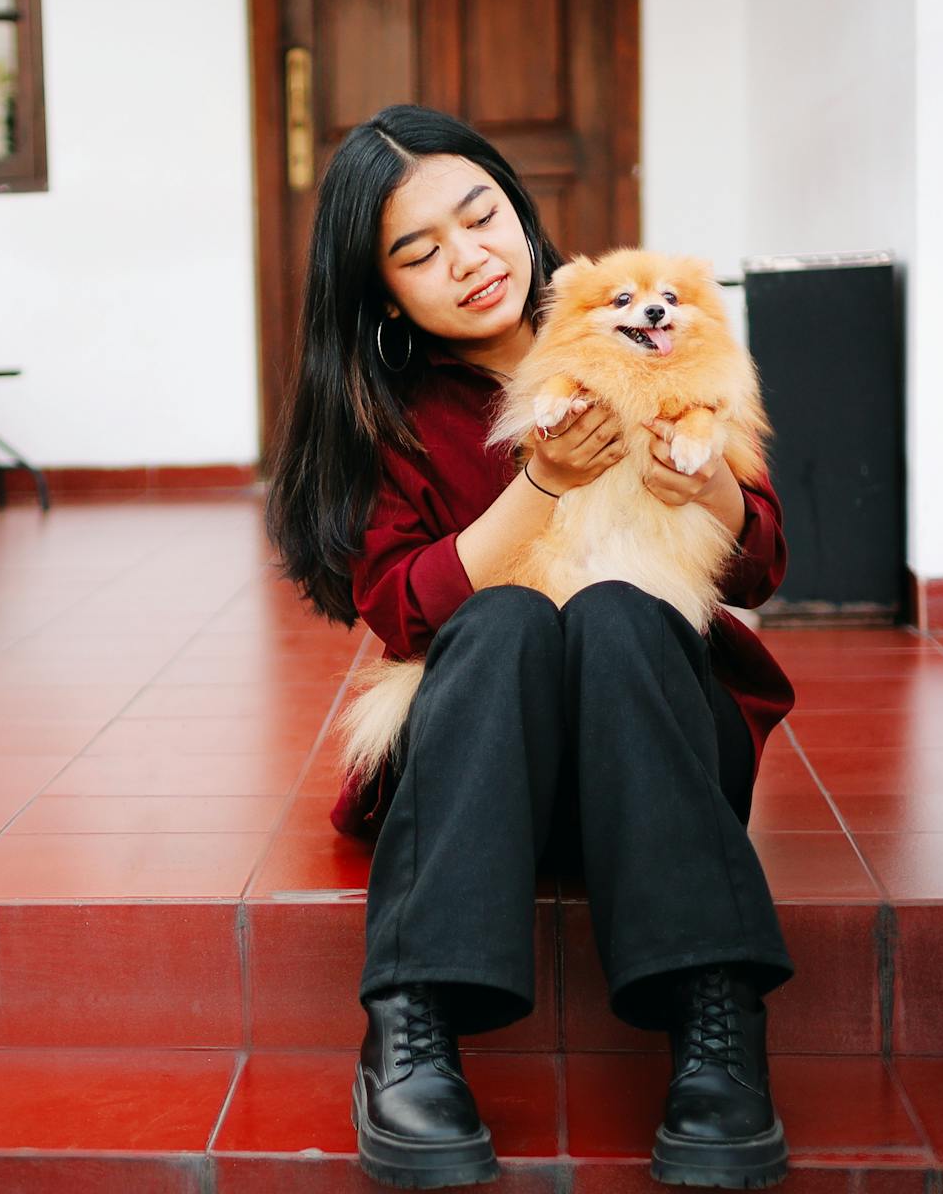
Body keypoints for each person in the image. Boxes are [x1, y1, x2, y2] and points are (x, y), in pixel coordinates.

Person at [262, 104, 799, 1190]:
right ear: (382, 291)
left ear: (519, 207)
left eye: (480, 216)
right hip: (481, 767)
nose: (467, 259)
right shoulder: (393, 415)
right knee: (500, 613)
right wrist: (539, 485)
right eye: (418, 251)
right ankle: (408, 1026)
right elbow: (405, 609)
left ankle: (715, 1021)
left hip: (652, 748)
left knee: (614, 608)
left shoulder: (641, 327)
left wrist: (709, 491)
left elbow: (759, 565)